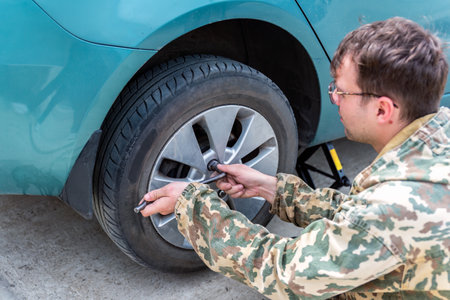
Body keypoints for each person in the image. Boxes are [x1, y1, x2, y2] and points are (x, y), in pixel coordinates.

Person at [139, 17, 449, 299]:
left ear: (383, 110)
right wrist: (271, 189)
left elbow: (286, 272)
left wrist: (192, 207)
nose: (333, 98)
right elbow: (358, 220)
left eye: (342, 92)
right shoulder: (438, 135)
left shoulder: (392, 206)